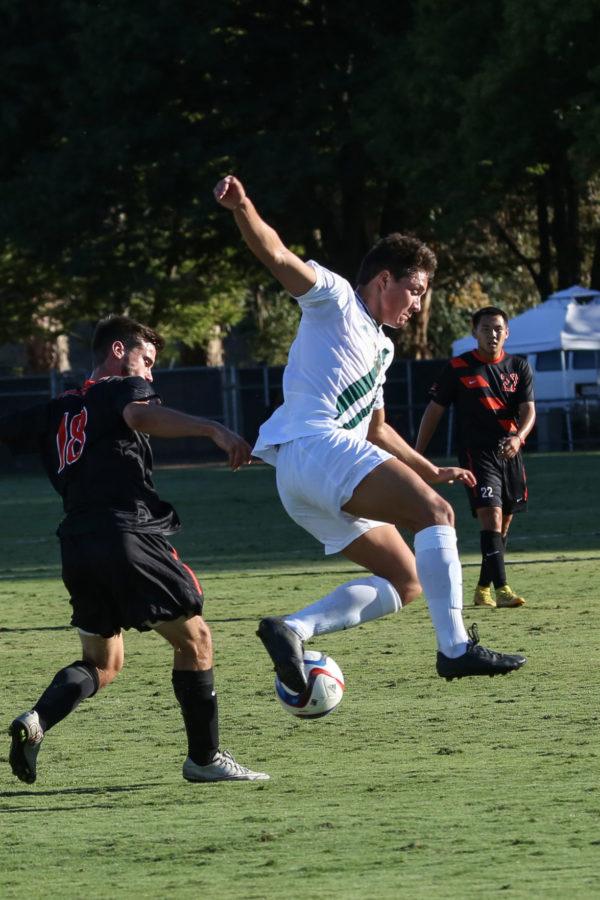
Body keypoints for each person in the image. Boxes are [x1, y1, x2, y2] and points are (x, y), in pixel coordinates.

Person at [213, 174, 527, 693]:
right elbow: (277, 256)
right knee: (437, 515)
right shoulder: (334, 299)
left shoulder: (382, 347)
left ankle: (294, 629)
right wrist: (242, 205)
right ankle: (455, 650)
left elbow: (377, 427)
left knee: (406, 581)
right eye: (416, 290)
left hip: (304, 477)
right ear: (384, 280)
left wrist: (428, 468)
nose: (419, 304)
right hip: (317, 448)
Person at [2, 315, 268, 784]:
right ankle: (204, 759)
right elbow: (140, 414)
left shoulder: (56, 409)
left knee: (103, 664)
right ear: (119, 351)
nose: (150, 375)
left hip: (76, 543)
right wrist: (212, 429)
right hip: (125, 534)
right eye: (147, 361)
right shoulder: (119, 390)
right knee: (197, 639)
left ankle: (37, 721)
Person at [415, 306, 536, 608]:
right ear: (474, 332)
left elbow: (528, 411)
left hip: (510, 453)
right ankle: (503, 589)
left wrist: (518, 438)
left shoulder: (519, 367)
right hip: (476, 455)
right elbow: (434, 411)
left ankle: (482, 587)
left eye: (498, 328)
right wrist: (416, 454)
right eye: (486, 328)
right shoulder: (458, 367)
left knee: (502, 525)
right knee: (491, 517)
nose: (492, 334)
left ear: (506, 332)